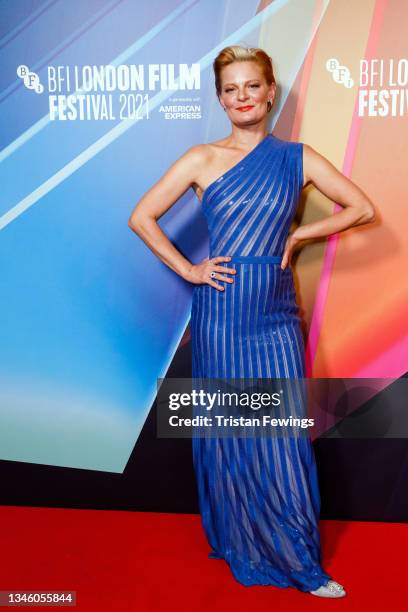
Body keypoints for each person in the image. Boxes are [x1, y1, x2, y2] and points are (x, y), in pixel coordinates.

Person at [128, 45, 375, 598]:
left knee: (282, 433)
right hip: (221, 316)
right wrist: (189, 269)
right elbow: (141, 217)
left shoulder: (297, 158)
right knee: (232, 429)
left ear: (270, 93)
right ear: (221, 98)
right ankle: (242, 535)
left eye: (252, 87)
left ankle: (299, 559)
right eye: (231, 89)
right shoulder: (200, 158)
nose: (242, 97)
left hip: (276, 315)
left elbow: (360, 207)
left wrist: (298, 234)